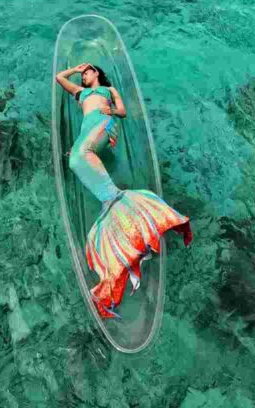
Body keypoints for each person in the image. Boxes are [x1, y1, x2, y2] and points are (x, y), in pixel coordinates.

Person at [55, 61, 193, 319]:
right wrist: (75, 68)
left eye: (87, 72)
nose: (84, 77)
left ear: (97, 73)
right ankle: (124, 215)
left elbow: (123, 111)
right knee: (77, 157)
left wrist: (113, 111)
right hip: (90, 130)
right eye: (82, 75)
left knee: (77, 158)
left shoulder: (109, 90)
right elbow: (59, 78)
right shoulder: (80, 93)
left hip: (104, 126)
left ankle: (117, 202)